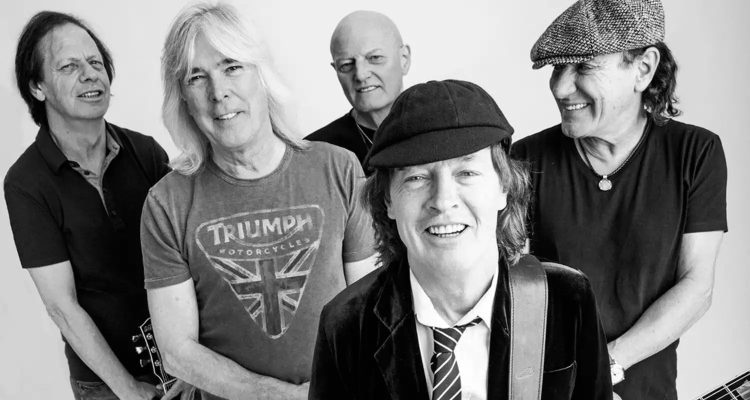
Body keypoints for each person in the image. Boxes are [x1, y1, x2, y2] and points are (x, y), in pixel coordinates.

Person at [309, 79, 612, 400]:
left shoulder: (566, 299)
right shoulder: (346, 324)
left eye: (466, 173)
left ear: (504, 187)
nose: (443, 200)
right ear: (387, 201)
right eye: (416, 177)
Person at [141, 3, 378, 400]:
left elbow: (371, 307)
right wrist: (281, 396)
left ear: (262, 74)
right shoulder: (166, 204)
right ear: (183, 98)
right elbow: (177, 352)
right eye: (197, 77)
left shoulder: (338, 168)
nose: (219, 93)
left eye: (232, 66)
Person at [511, 0, 727, 399]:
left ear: (643, 69)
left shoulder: (695, 153)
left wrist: (605, 366)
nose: (560, 88)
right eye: (558, 69)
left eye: (583, 67)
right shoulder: (524, 160)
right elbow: (505, 291)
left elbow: (696, 286)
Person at [5, 11, 171, 400]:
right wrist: (127, 389)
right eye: (69, 66)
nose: (90, 75)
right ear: (38, 87)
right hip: (104, 384)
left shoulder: (145, 152)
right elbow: (62, 307)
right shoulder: (27, 183)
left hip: (180, 362)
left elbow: (186, 257)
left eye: (95, 62)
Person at [305, 10, 411, 164]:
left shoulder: (441, 128)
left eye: (375, 58)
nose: (360, 75)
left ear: (404, 59)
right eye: (346, 65)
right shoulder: (315, 153)